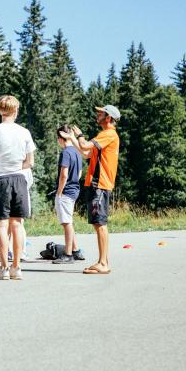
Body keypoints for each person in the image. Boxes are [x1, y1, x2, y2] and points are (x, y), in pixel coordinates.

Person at [60, 105, 120, 274]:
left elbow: (85, 146)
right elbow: (86, 154)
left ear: (108, 118)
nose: (97, 115)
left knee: (100, 224)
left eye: (100, 113)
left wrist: (78, 135)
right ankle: (103, 262)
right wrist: (72, 138)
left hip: (100, 184)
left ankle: (103, 263)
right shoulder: (104, 135)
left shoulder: (108, 134)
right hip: (96, 184)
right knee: (98, 223)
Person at [0, 95, 36, 280]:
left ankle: (3, 267)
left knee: (2, 225)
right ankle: (16, 267)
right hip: (19, 178)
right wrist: (16, 166)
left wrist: (1, 165)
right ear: (16, 110)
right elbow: (30, 161)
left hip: (0, 179)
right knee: (17, 224)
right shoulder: (24, 132)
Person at [52, 124, 85, 264]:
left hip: (66, 192)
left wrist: (59, 192)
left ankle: (68, 254)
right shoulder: (77, 152)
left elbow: (63, 175)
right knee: (69, 220)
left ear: (61, 138)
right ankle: (76, 250)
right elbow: (79, 172)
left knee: (67, 223)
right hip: (75, 189)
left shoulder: (65, 153)